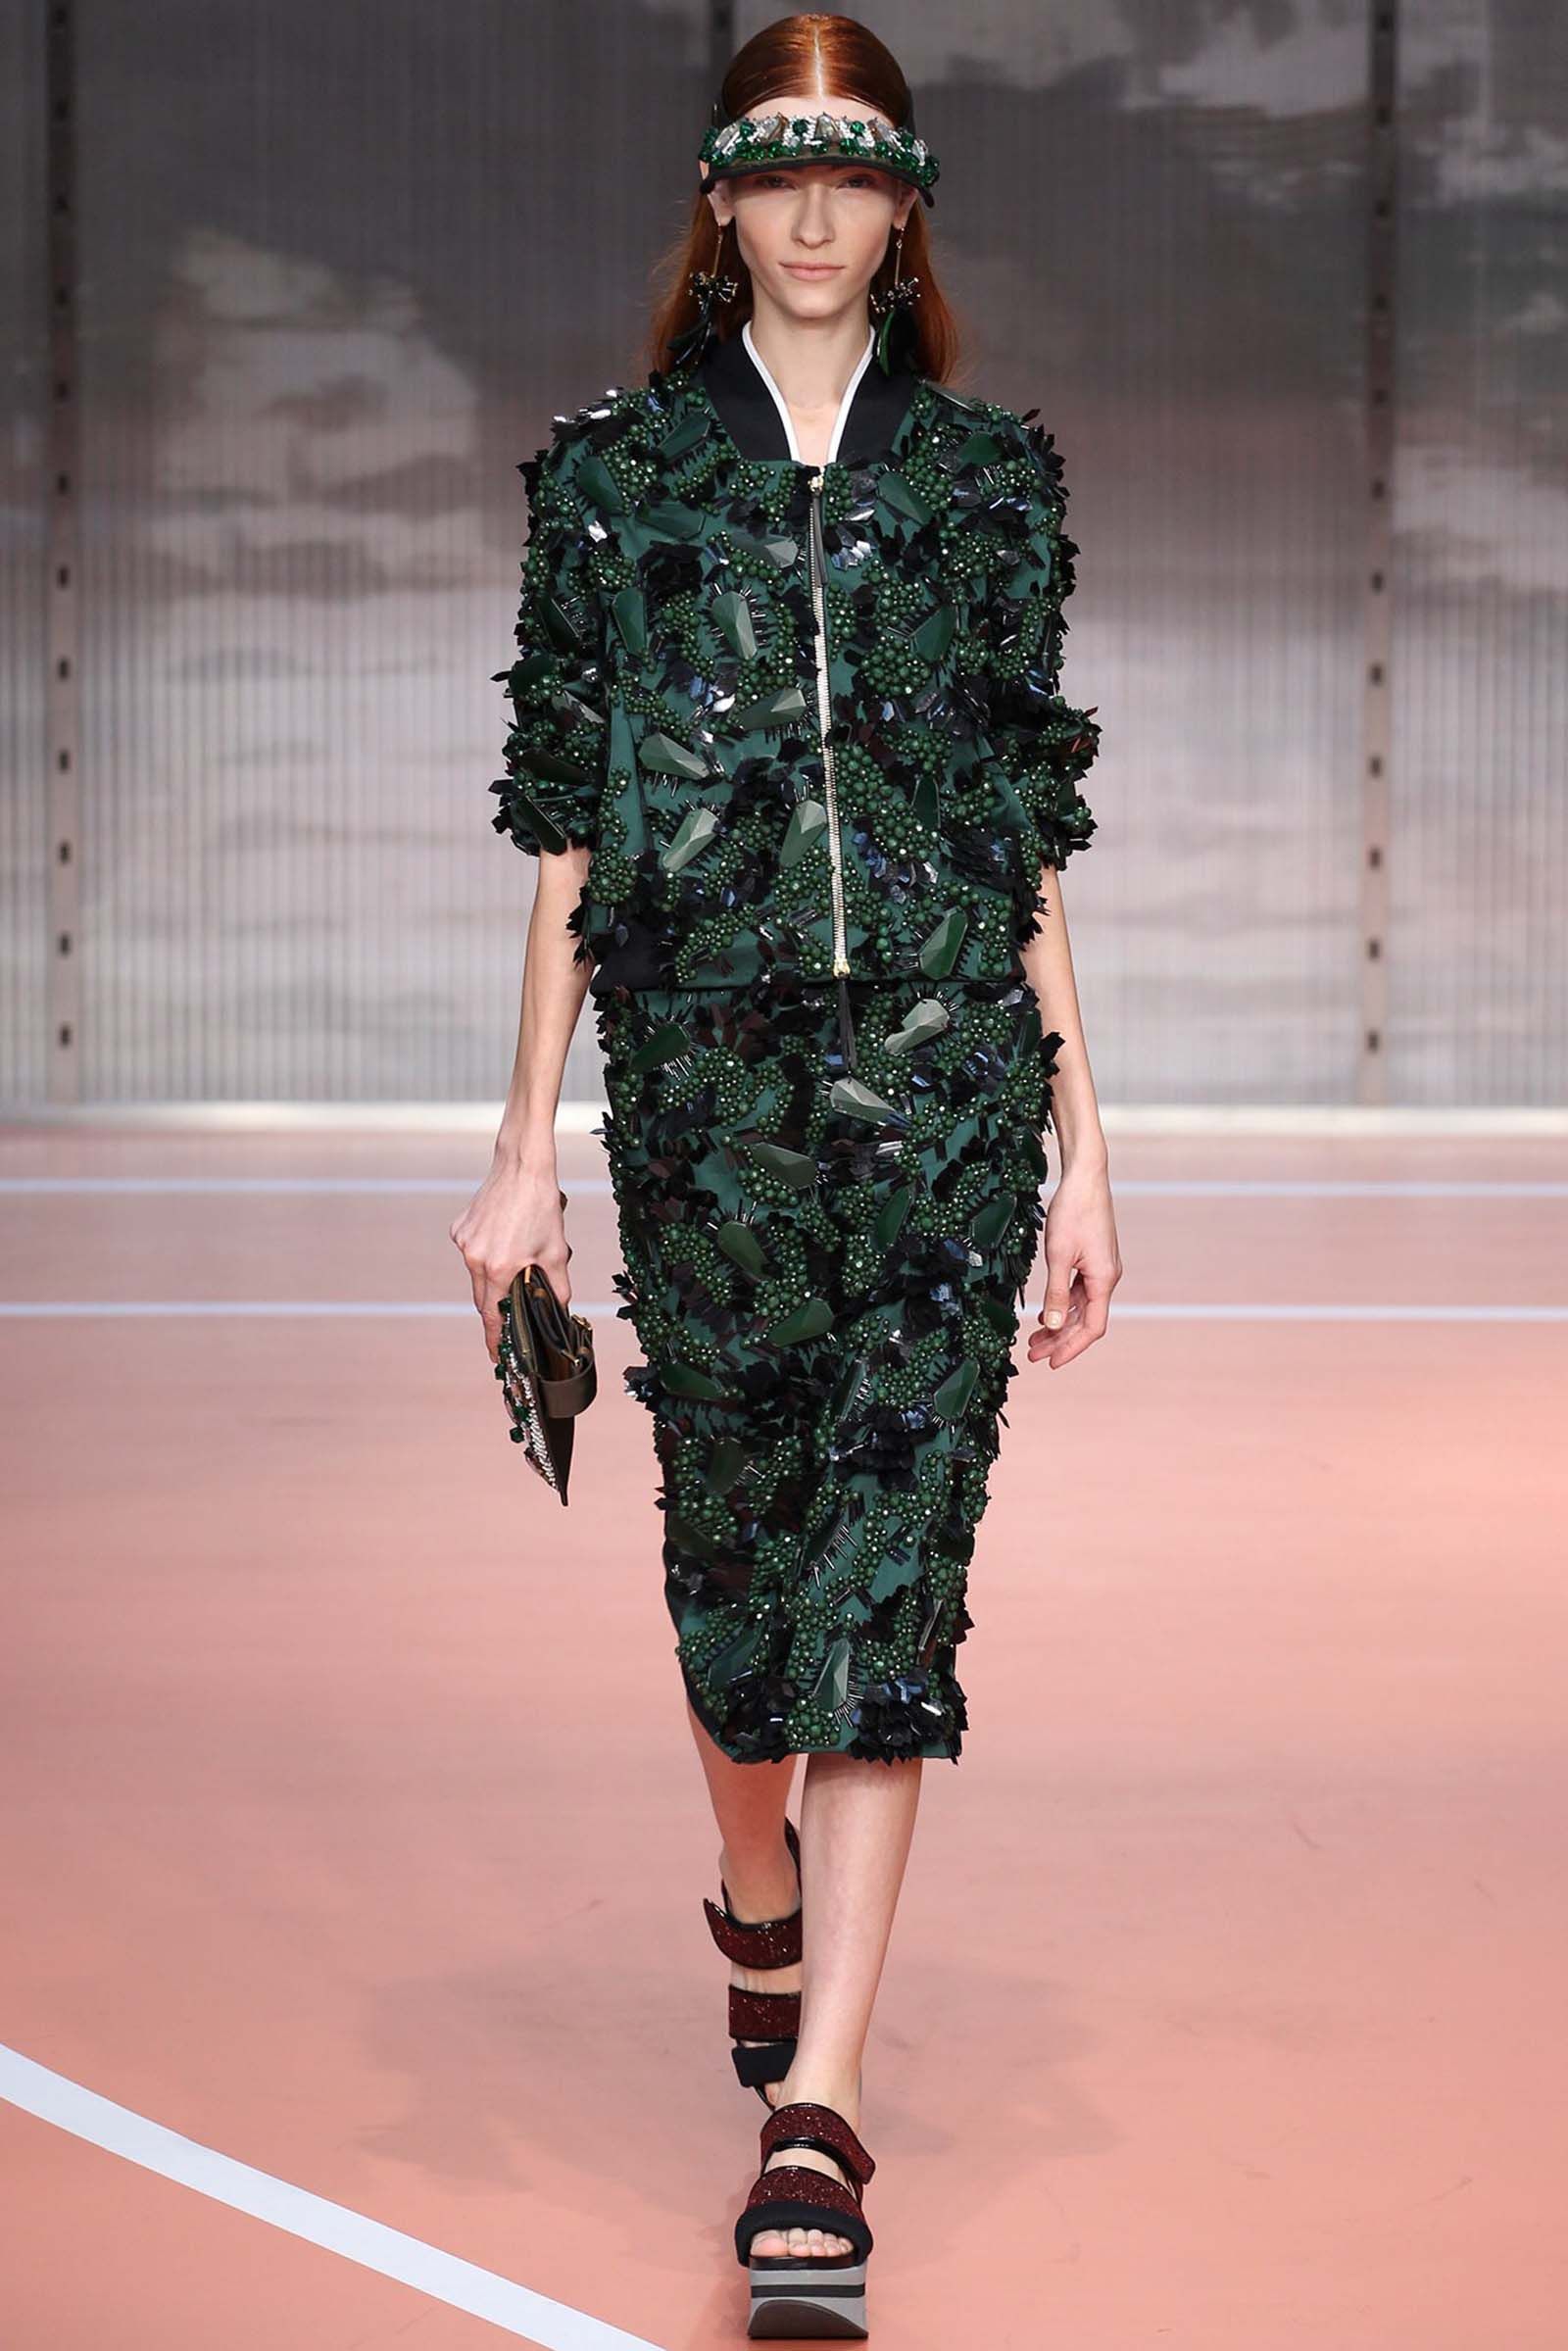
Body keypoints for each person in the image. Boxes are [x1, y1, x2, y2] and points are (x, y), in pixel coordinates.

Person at [453, 12, 1121, 2333]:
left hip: (944, 1108)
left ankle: (815, 2106)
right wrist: (525, 1150)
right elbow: (566, 827)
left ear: (901, 203)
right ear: (722, 200)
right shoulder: (615, 481)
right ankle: (754, 1889)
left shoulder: (985, 486)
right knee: (735, 1598)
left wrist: (1083, 1149)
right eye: (776, 169)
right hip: (705, 1106)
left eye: (854, 172)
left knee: (884, 1591)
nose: (815, 211)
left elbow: (1022, 827)